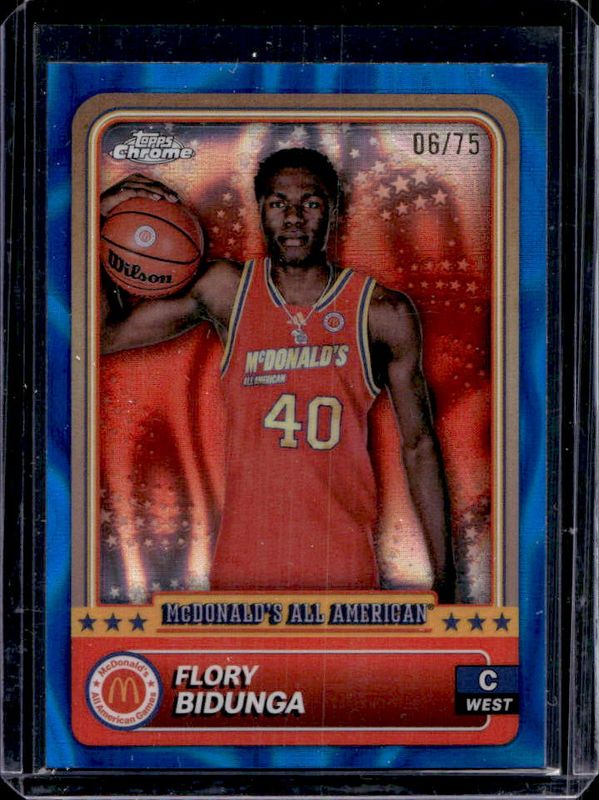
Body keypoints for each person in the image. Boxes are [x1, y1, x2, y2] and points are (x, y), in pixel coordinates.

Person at [100, 147, 455, 602]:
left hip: (342, 570)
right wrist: (100, 221)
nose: (293, 218)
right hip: (243, 571)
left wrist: (446, 581)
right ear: (261, 210)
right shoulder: (228, 291)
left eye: (311, 203)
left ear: (334, 212)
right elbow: (105, 336)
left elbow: (419, 446)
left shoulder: (381, 312)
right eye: (278, 203)